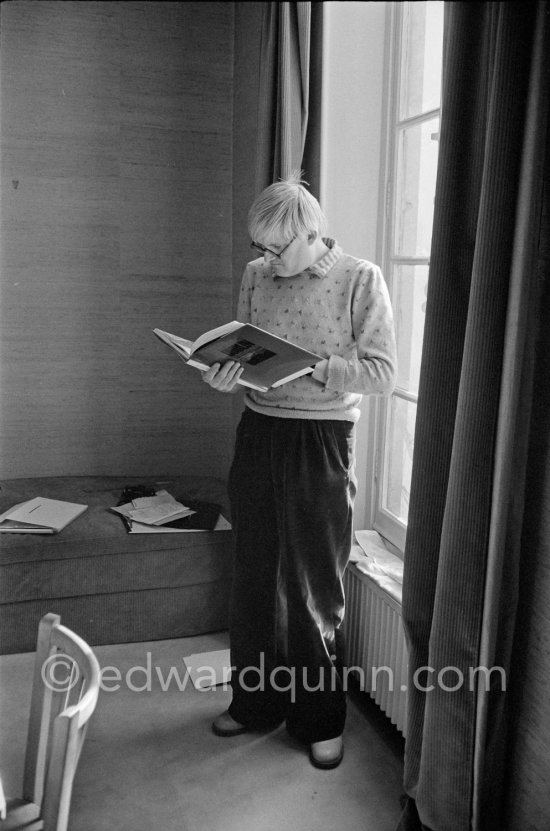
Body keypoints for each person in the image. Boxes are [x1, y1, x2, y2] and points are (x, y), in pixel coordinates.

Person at [204, 171, 397, 769]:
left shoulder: (359, 278)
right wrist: (224, 375)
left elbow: (383, 374)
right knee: (254, 577)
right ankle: (255, 702)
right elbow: (242, 348)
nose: (265, 260)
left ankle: (318, 718)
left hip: (322, 439)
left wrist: (315, 369)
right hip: (259, 432)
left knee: (314, 585)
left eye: (277, 248)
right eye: (259, 247)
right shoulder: (257, 276)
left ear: (312, 233)